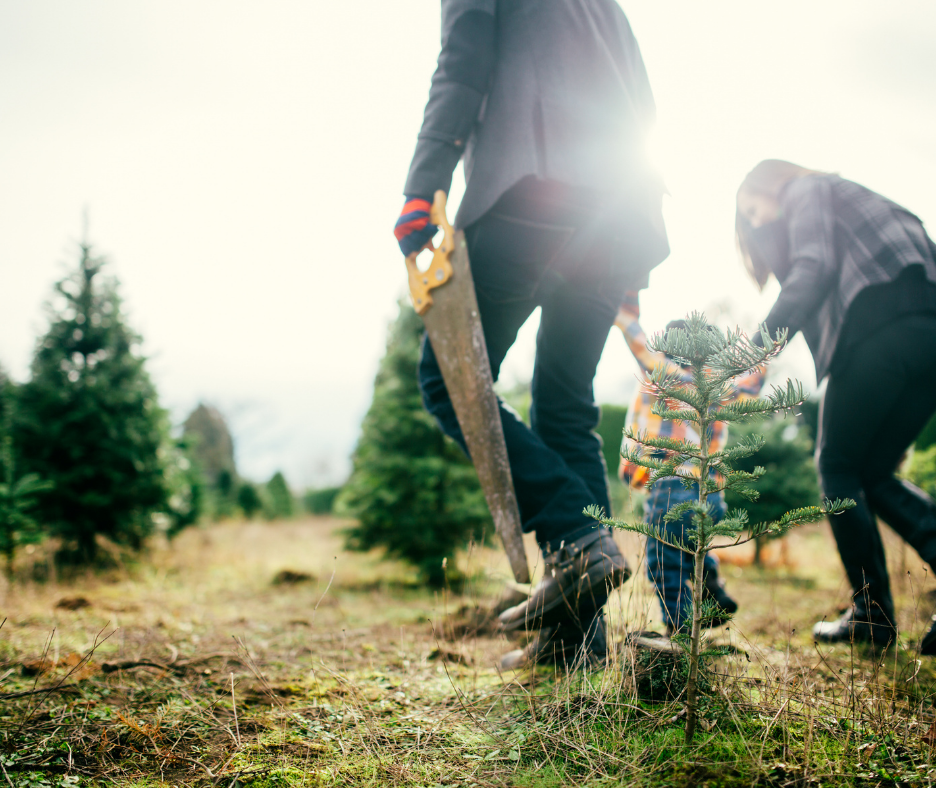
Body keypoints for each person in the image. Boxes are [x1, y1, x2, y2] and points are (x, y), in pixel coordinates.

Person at [394, 0, 670, 669]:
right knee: (566, 405)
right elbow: (643, 102)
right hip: (621, 213)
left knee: (446, 380)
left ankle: (578, 538)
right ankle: (576, 643)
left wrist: (421, 185)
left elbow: (461, 67)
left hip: (535, 189)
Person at [735, 159, 936, 650]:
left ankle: (871, 614)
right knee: (873, 473)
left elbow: (814, 268)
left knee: (838, 465)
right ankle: (872, 614)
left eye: (753, 209)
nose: (756, 223)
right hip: (927, 334)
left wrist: (757, 354)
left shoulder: (806, 190)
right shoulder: (848, 198)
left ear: (771, 187)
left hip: (878, 331)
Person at [615, 298, 761, 635]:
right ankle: (712, 588)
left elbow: (640, 347)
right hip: (711, 491)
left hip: (672, 485)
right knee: (694, 547)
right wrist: (766, 349)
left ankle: (680, 636)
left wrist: (623, 315)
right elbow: (753, 383)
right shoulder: (721, 385)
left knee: (664, 562)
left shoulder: (667, 374)